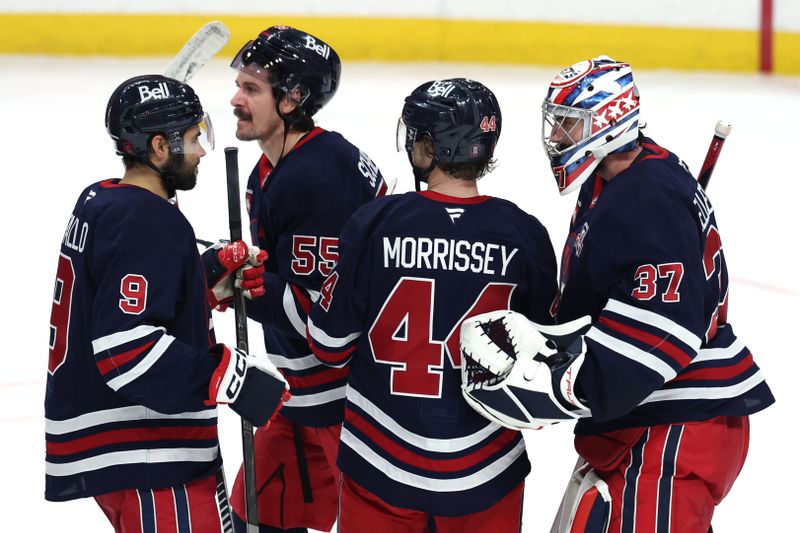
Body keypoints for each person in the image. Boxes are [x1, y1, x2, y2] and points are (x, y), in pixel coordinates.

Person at [459, 57, 775, 532]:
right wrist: (553, 340)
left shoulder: (647, 197)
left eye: (569, 123)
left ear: (607, 120)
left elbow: (666, 326)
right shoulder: (622, 178)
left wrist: (571, 384)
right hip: (646, 418)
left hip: (674, 422)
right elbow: (611, 289)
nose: (556, 135)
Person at [306, 78, 559, 532]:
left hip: (379, 464)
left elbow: (327, 344)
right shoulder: (526, 235)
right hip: (487, 472)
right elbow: (545, 363)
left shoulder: (377, 221)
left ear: (430, 145)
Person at [45, 74, 288, 532]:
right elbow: (124, 347)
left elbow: (118, 297)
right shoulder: (147, 219)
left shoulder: (102, 201)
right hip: (149, 454)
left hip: (127, 450)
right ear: (160, 147)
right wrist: (231, 377)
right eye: (193, 140)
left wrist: (203, 277)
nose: (201, 152)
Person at [226, 26, 389, 532]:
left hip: (349, 402)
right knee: (256, 512)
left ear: (292, 99)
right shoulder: (276, 169)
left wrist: (246, 287)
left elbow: (327, 317)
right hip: (301, 395)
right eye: (239, 85)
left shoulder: (315, 181)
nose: (235, 100)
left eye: (252, 89)